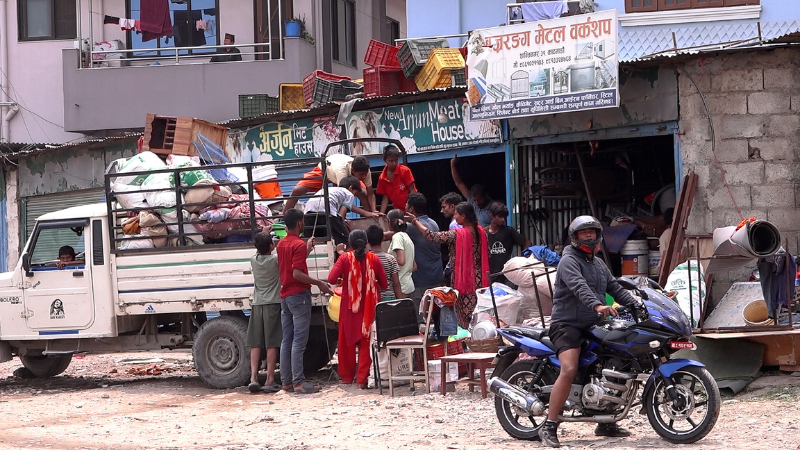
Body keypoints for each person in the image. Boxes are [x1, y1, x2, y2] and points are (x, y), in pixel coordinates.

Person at [538, 215, 640, 447]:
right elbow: (578, 286)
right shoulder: (568, 261)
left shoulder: (598, 263)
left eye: (592, 233)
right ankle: (549, 426)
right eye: (584, 233)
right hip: (567, 324)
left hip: (593, 323)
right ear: (574, 237)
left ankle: (605, 420)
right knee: (569, 368)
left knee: (615, 361)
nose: (589, 237)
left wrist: (636, 302)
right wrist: (597, 305)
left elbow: (614, 286)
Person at [406, 202, 489, 329]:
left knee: (465, 317)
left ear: (464, 216)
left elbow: (432, 236)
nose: (454, 217)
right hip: (479, 280)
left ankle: (467, 340)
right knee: (477, 313)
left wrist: (415, 222)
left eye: (456, 214)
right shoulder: (482, 232)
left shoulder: (457, 234)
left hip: (465, 280)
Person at [277, 208, 333, 394]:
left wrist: (307, 249)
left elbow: (292, 266)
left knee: (287, 340)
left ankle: (287, 382)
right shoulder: (298, 244)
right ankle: (299, 382)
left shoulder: (282, 244)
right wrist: (319, 283)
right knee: (299, 341)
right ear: (300, 223)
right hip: (299, 296)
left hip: (285, 295)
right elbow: (297, 272)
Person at [328, 230, 387, 389]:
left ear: (350, 243)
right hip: (370, 307)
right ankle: (362, 379)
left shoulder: (344, 258)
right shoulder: (373, 259)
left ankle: (347, 377)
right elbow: (384, 284)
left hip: (349, 308)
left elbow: (331, 279)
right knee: (366, 342)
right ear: (366, 241)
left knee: (346, 342)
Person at [246, 230, 281, 394]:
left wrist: (263, 235)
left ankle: (253, 378)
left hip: (257, 304)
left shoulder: (254, 260)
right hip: (273, 304)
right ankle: (269, 379)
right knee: (272, 343)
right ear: (271, 246)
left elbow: (259, 249)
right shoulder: (275, 260)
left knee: (256, 343)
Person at [303, 176, 380, 245]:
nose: (354, 196)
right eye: (355, 193)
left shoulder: (332, 190)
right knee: (344, 240)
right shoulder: (349, 194)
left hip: (308, 213)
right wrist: (344, 227)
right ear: (350, 188)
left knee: (314, 240)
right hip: (326, 212)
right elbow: (341, 216)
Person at [285, 154, 376, 212]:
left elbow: (371, 194)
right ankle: (283, 219)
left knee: (363, 192)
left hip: (339, 172)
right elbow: (344, 198)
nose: (363, 177)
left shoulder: (365, 171)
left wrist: (374, 210)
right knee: (297, 190)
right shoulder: (342, 171)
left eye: (365, 174)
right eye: (361, 175)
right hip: (326, 169)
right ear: (352, 171)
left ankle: (370, 218)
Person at [405, 193, 443, 312]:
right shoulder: (433, 223)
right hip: (436, 276)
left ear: (411, 209)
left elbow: (390, 234)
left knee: (420, 318)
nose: (405, 206)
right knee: (435, 315)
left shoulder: (411, 227)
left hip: (421, 280)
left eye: (406, 204)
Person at [486, 202, 532, 286]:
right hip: (490, 276)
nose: (503, 219)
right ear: (491, 215)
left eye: (504, 217)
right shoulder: (484, 233)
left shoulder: (508, 231)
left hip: (507, 276)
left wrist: (521, 260)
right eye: (500, 216)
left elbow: (527, 243)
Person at [450, 155, 492, 228]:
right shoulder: (473, 203)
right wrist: (452, 165)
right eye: (475, 200)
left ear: (486, 195)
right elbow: (459, 183)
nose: (477, 202)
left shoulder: (494, 208)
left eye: (479, 199)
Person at [365, 225, 403, 301]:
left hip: (371, 298)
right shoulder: (391, 259)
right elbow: (396, 283)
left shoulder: (365, 259)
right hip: (389, 298)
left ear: (367, 240)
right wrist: (400, 301)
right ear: (383, 238)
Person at [377, 145, 416, 214]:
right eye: (391, 161)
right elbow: (385, 197)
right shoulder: (382, 178)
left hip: (411, 209)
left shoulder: (405, 171)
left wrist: (411, 208)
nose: (394, 163)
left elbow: (413, 191)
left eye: (396, 160)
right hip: (398, 211)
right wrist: (381, 213)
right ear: (384, 160)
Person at [387, 209, 415, 300]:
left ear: (389, 222)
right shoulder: (406, 236)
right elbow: (414, 266)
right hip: (407, 284)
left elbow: (401, 261)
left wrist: (385, 258)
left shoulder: (397, 237)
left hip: (400, 285)